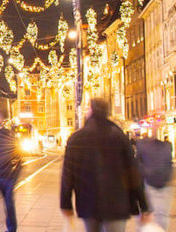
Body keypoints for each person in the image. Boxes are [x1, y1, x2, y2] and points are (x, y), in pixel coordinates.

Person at [60, 99, 151, 232]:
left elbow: (68, 174)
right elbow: (133, 172)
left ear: (91, 110)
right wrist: (144, 205)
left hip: (88, 203)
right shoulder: (119, 137)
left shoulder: (76, 138)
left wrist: (65, 203)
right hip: (117, 203)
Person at [0, 109, 23, 232]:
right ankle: (10, 227)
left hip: (7, 176)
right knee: (6, 203)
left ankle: (12, 228)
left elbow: (18, 157)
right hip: (0, 176)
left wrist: (14, 175)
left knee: (8, 204)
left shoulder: (10, 138)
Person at [135, 134, 174, 231]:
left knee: (156, 214)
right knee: (160, 214)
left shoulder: (164, 147)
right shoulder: (166, 147)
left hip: (154, 184)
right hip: (157, 184)